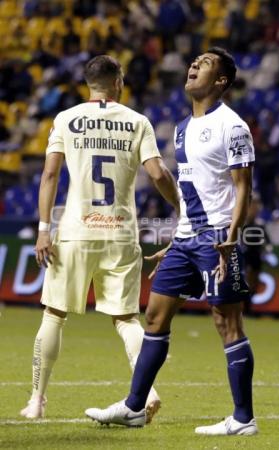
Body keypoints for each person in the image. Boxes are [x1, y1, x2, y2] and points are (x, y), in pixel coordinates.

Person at [85, 47, 258, 436]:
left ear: (221, 81)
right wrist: (176, 236)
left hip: (217, 239)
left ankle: (244, 419)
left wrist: (231, 239)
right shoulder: (181, 127)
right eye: (193, 60)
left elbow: (243, 188)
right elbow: (190, 187)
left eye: (205, 64)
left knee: (226, 323)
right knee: (155, 316)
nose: (193, 64)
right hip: (186, 238)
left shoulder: (233, 126)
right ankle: (133, 407)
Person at [20, 55, 180, 422]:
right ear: (119, 81)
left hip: (76, 230)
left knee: (54, 314)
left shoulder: (66, 119)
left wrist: (44, 229)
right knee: (126, 320)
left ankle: (36, 401)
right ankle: (148, 394)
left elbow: (49, 175)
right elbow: (157, 174)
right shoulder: (137, 121)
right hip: (121, 233)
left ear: (86, 83)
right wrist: (181, 207)